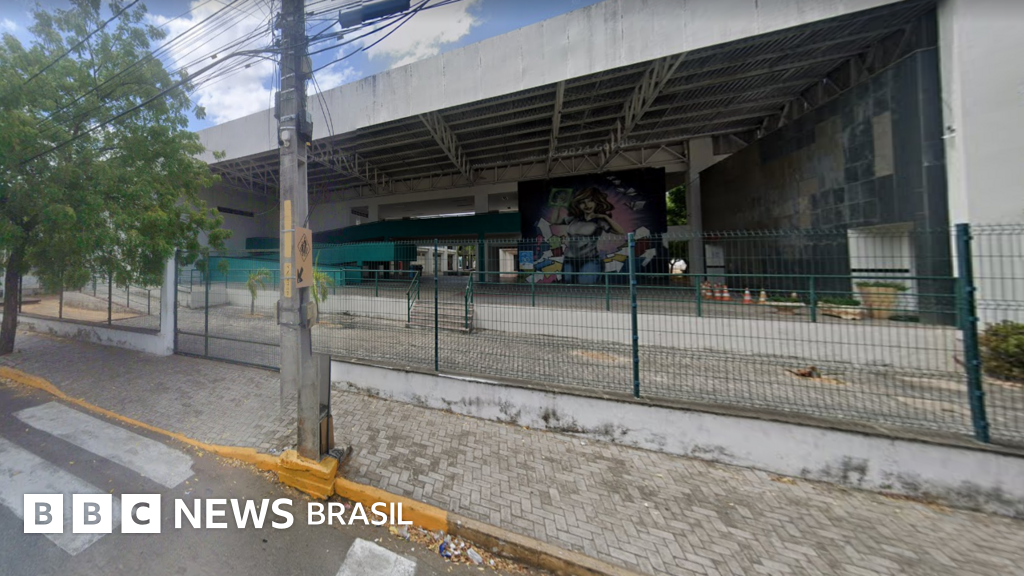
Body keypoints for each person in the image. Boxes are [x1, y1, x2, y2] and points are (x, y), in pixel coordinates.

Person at [553, 187, 625, 284]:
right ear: (578, 205)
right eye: (582, 202)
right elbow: (554, 221)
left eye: (590, 201)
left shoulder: (599, 221)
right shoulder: (574, 219)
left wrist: (605, 217)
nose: (587, 205)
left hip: (589, 261)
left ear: (596, 202)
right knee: (568, 285)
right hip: (569, 259)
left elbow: (621, 231)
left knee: (587, 286)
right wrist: (558, 205)